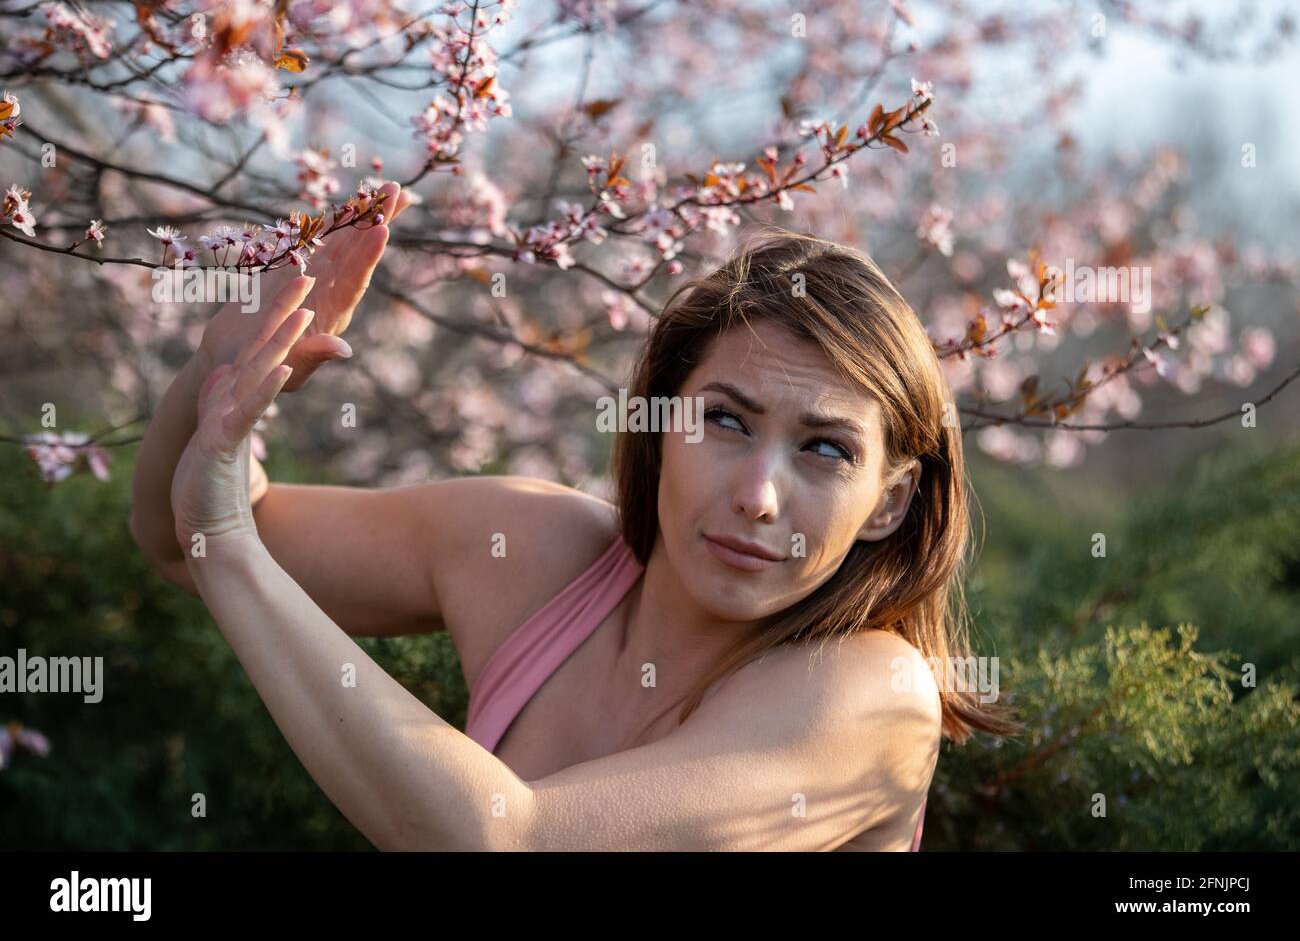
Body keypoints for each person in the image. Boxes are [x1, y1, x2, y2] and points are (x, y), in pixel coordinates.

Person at [129, 182, 1020, 850]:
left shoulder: (871, 695)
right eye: (723, 420)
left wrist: (233, 551)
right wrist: (220, 378)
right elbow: (179, 542)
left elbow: (510, 842)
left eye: (825, 450)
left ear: (890, 501)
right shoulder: (531, 550)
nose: (758, 494)